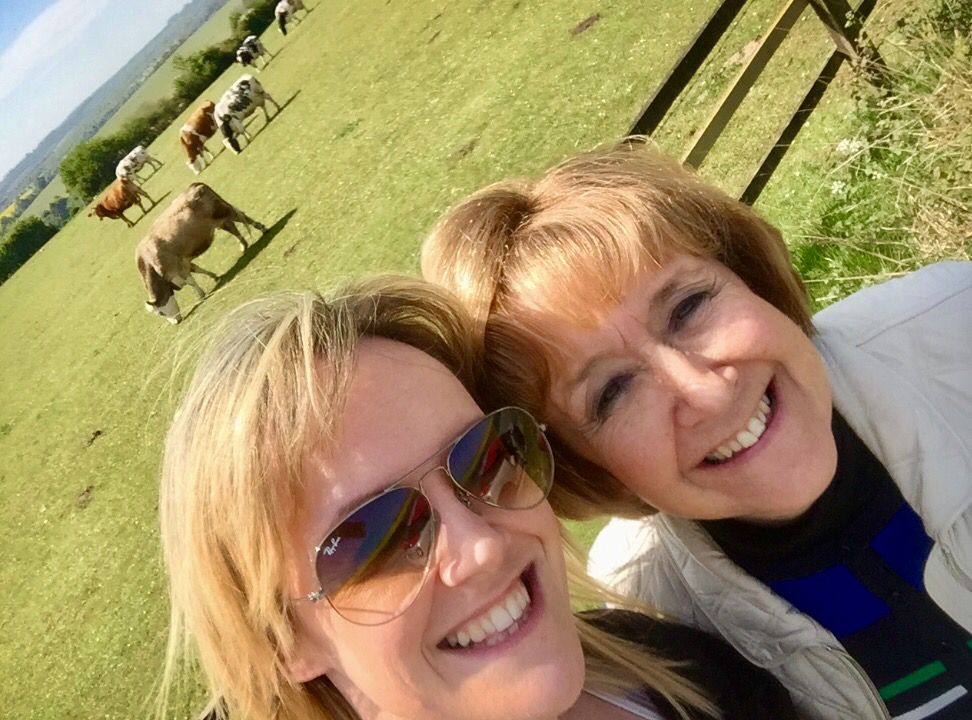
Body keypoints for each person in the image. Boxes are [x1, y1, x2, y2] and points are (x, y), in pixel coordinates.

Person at [421, 142, 972, 720]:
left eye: (688, 307)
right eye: (613, 391)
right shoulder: (652, 628)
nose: (707, 395)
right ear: (585, 465)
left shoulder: (957, 326)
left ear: (751, 278)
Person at [157, 276, 798, 720]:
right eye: (377, 539)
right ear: (284, 645)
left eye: (486, 457)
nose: (482, 545)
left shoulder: (667, 663)